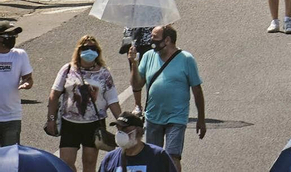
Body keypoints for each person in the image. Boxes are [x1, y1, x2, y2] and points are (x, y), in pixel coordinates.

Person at [130, 26, 203, 170]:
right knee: (153, 157)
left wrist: (201, 118)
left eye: (155, 38)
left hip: (176, 117)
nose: (151, 41)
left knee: (172, 156)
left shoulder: (186, 59)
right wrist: (133, 63)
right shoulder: (148, 56)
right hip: (153, 117)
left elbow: (197, 90)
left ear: (167, 40)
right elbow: (137, 84)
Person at [47, 36, 120, 172]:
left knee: (89, 163)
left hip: (94, 125)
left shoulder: (104, 73)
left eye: (93, 48)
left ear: (98, 51)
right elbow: (54, 95)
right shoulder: (68, 69)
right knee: (66, 163)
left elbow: (112, 100)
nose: (89, 51)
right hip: (70, 123)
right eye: (86, 48)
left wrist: (122, 122)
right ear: (79, 50)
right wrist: (51, 119)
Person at [95, 111, 176, 172]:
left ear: (138, 131)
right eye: (118, 129)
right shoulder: (109, 159)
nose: (120, 133)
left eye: (125, 129)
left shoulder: (158, 156)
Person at [0, 22, 33, 147]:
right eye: (9, 36)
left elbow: (28, 78)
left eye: (14, 36)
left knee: (10, 158)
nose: (12, 39)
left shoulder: (20, 55)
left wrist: (27, 84)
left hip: (11, 116)